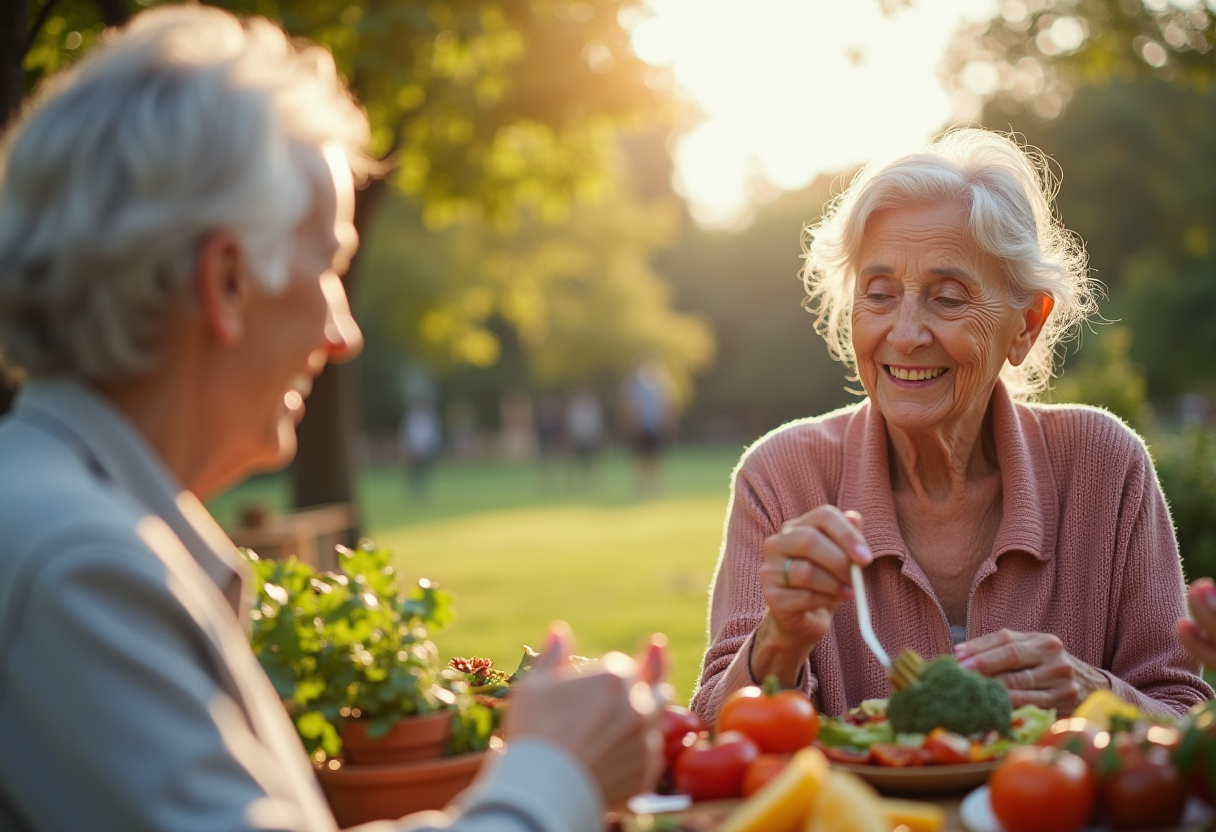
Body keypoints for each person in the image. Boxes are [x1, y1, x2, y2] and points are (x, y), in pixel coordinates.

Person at [0, 8, 663, 831]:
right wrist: (548, 778)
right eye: (330, 266)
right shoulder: (82, 566)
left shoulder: (63, 516)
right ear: (228, 282)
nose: (342, 335)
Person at [691, 128, 1211, 726]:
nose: (906, 333)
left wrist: (1094, 694)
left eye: (948, 298)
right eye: (880, 293)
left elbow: (1185, 719)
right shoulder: (782, 477)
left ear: (1025, 324)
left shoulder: (1105, 465)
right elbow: (712, 737)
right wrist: (778, 641)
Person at [619, 358, 676, 496]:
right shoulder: (634, 385)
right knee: (641, 457)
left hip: (656, 426)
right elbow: (628, 406)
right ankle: (641, 486)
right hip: (641, 427)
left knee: (656, 457)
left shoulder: (662, 385)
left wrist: (668, 423)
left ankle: (655, 486)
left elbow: (668, 407)